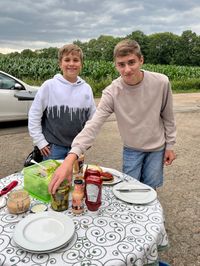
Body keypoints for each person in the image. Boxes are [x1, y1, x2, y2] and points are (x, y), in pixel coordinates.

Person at [49, 39, 176, 194]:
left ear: (141, 60)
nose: (127, 69)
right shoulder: (112, 92)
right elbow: (93, 124)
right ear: (115, 65)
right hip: (132, 148)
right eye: (121, 64)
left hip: (157, 148)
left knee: (150, 189)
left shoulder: (161, 82)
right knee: (130, 189)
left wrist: (170, 145)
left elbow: (168, 117)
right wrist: (71, 157)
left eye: (131, 62)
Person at [28, 44, 96, 160]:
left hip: (76, 148)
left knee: (75, 177)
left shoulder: (86, 89)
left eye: (76, 60)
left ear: (81, 64)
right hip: (53, 148)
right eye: (67, 60)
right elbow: (34, 114)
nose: (71, 64)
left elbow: (93, 119)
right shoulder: (49, 86)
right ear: (60, 63)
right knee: (53, 177)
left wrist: (87, 140)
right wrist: (40, 141)